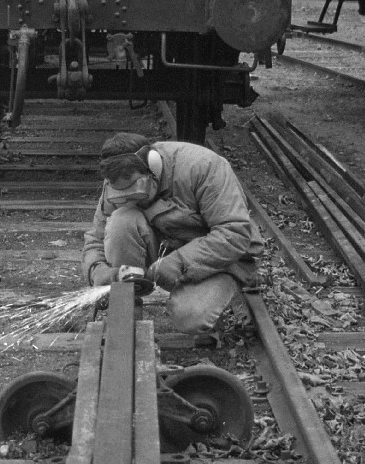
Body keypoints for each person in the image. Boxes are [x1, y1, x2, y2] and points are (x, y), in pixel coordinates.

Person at [82, 131, 263, 335]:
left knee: (190, 316)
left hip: (220, 261)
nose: (130, 197)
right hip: (167, 247)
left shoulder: (203, 167)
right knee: (121, 221)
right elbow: (96, 238)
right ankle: (126, 312)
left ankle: (221, 294)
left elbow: (234, 232)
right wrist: (98, 271)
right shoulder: (115, 183)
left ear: (153, 168)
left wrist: (179, 262)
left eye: (136, 191)